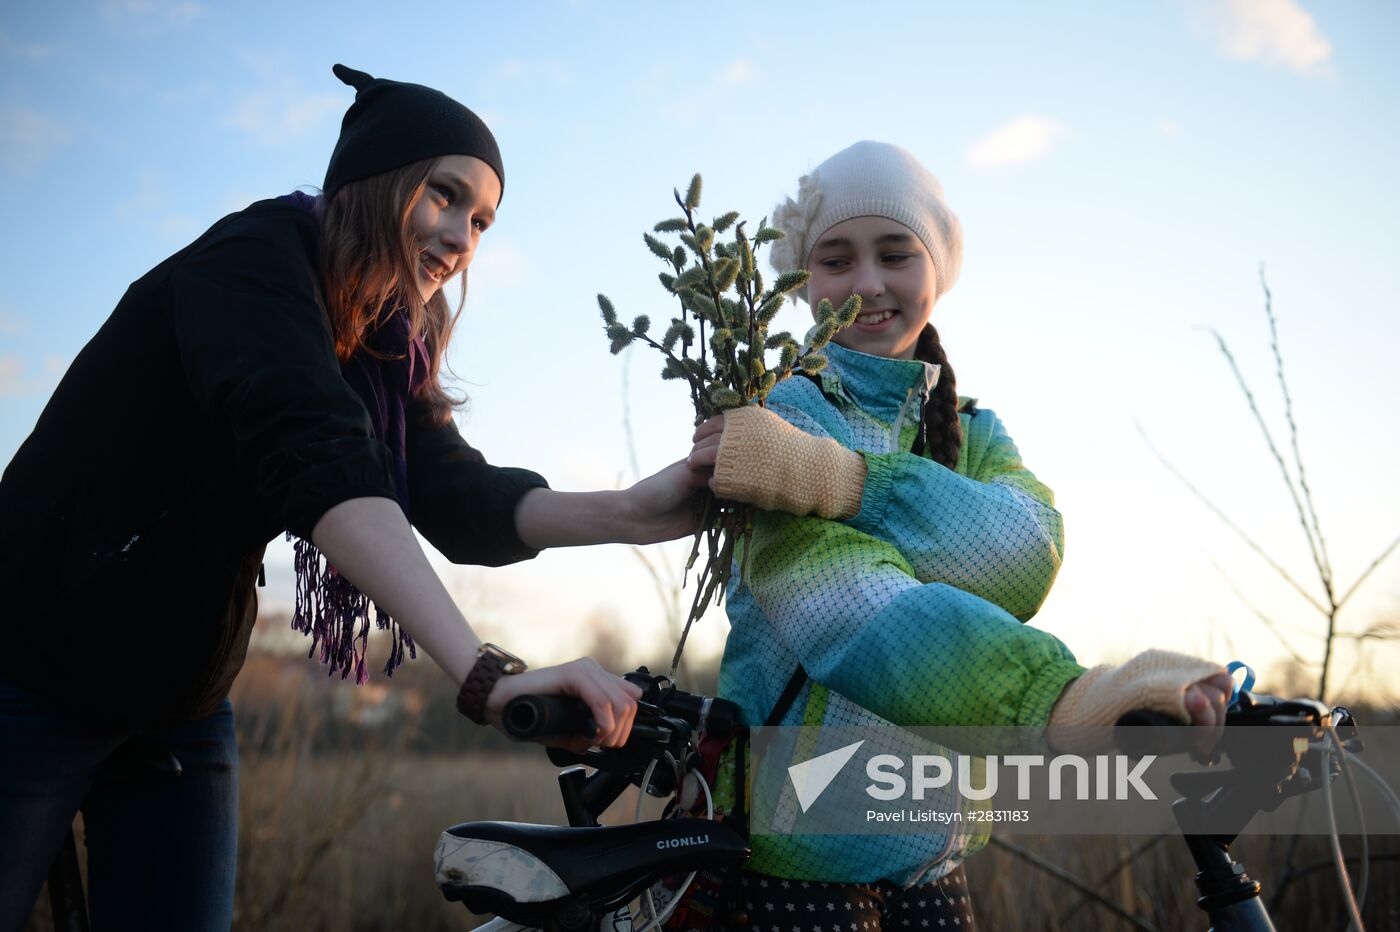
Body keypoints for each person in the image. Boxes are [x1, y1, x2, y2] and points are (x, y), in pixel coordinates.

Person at [0, 65, 708, 931]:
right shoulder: (251, 267)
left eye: (482, 222)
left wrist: (635, 511)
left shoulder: (382, 342)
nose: (461, 238)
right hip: (33, 662)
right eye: (445, 197)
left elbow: (452, 494)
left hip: (177, 697)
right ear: (374, 183)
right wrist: (487, 678)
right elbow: (324, 464)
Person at [686, 141, 1234, 930]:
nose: (868, 284)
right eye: (835, 260)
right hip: (796, 852)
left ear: (938, 263)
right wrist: (1055, 696)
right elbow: (855, 615)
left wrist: (843, 484)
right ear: (804, 280)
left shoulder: (975, 431)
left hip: (934, 848)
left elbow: (1024, 555)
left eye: (895, 253)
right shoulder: (777, 421)